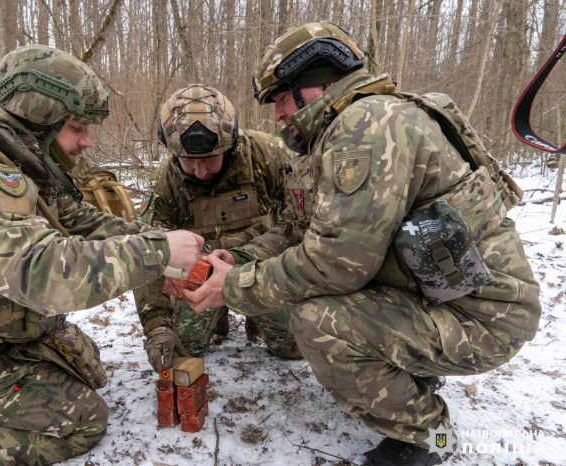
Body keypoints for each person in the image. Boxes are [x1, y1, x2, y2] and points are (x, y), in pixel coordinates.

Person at [185, 22, 541, 466]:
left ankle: (428, 439)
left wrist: (233, 286)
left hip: (485, 318)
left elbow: (336, 264)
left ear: (313, 84)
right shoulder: (335, 136)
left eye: (279, 98)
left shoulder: (367, 125)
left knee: (318, 319)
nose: (276, 115)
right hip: (442, 296)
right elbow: (298, 231)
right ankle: (413, 371)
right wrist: (238, 259)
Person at [0, 44, 203, 466]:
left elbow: (81, 223)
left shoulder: (12, 162)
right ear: (37, 120)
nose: (87, 141)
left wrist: (174, 243)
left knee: (87, 365)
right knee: (82, 419)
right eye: (77, 127)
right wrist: (157, 251)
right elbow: (44, 277)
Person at [135, 84, 301, 373]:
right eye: (189, 162)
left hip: (261, 268)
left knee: (294, 346)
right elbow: (149, 257)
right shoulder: (165, 183)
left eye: (210, 159)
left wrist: (247, 259)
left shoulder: (267, 155)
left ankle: (256, 318)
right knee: (184, 345)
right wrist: (157, 327)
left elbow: (299, 221)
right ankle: (216, 318)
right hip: (198, 274)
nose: (200, 172)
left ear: (230, 144)